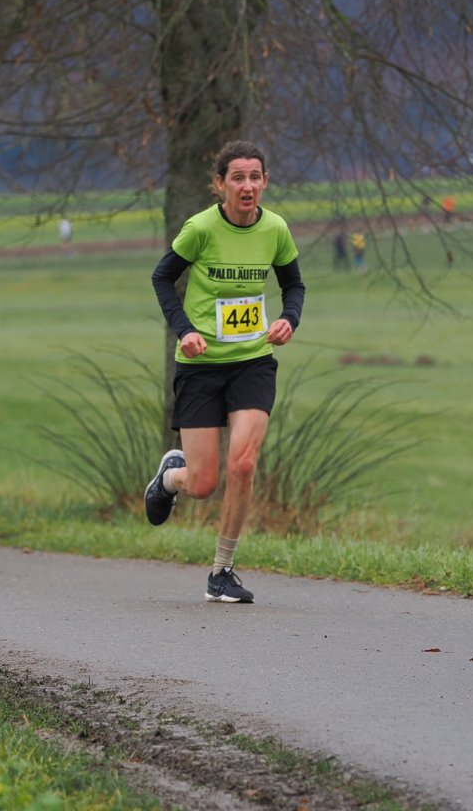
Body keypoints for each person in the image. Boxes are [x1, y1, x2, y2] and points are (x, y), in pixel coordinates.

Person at [145, 140, 305, 603]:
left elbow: (294, 284)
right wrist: (184, 330)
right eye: (237, 178)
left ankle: (222, 571)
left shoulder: (275, 229)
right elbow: (162, 277)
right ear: (219, 185)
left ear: (265, 182)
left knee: (244, 463)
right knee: (202, 484)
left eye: (255, 177)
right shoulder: (200, 228)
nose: (247, 186)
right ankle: (170, 478)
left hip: (253, 361)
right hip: (200, 366)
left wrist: (288, 319)